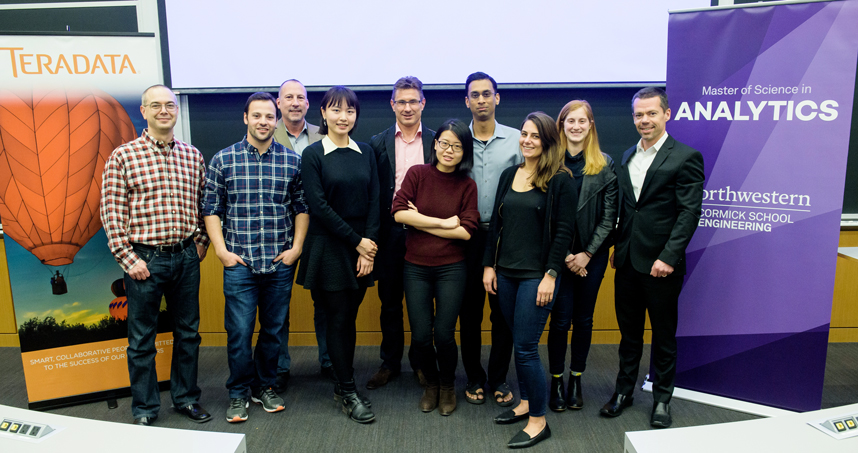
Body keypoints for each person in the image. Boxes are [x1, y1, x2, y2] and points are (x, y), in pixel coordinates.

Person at [101, 84, 212, 426]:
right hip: (144, 261)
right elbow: (111, 213)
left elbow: (203, 205)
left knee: (188, 334)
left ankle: (185, 398)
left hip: (186, 258)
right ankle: (146, 408)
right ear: (144, 112)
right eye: (156, 105)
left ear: (176, 111)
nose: (164, 110)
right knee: (141, 341)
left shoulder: (193, 156)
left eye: (170, 105)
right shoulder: (123, 156)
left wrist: (201, 241)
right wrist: (128, 259)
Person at [600, 87, 704, 429]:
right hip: (627, 262)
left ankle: (662, 399)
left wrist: (669, 257)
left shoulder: (686, 156)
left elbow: (689, 213)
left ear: (666, 114)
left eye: (651, 113)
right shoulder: (628, 154)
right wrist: (617, 246)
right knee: (629, 335)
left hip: (662, 265)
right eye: (638, 115)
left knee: (663, 335)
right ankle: (624, 392)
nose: (644, 120)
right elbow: (628, 210)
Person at [202, 92, 309, 422]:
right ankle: (237, 393)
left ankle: (265, 386)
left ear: (275, 120)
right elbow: (211, 209)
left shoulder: (292, 161)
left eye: (268, 117)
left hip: (279, 263)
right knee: (239, 333)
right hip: (240, 264)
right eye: (257, 116)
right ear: (245, 118)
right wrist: (221, 251)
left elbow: (301, 209)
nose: (264, 121)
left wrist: (296, 249)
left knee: (274, 331)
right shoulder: (224, 159)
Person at [483, 112, 576, 449]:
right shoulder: (511, 173)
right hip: (505, 273)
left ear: (548, 141)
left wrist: (552, 274)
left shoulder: (561, 179)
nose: (527, 140)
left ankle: (538, 420)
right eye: (524, 134)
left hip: (537, 277)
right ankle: (524, 402)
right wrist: (488, 266)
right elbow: (496, 224)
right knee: (516, 341)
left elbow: (564, 232)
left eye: (535, 136)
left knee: (524, 348)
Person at [296, 86, 380, 424]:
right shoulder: (314, 153)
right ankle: (346, 390)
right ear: (324, 114)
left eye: (349, 111)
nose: (343, 117)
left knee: (350, 318)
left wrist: (369, 246)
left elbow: (375, 200)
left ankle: (343, 383)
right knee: (339, 318)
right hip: (329, 246)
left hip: (362, 248)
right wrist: (357, 241)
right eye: (336, 110)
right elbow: (319, 207)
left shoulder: (367, 151)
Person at [391, 119, 479, 415]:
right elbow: (399, 213)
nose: (449, 150)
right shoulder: (418, 174)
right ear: (435, 144)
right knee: (419, 336)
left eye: (456, 145)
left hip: (452, 268)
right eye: (444, 143)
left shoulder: (467, 185)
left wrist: (421, 220)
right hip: (415, 267)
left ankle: (447, 384)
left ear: (464, 150)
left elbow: (466, 231)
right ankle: (430, 384)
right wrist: (443, 222)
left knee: (443, 334)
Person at [546, 100, 618, 412]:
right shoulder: (549, 163)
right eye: (569, 121)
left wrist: (586, 254)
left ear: (591, 125)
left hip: (594, 257)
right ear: (561, 126)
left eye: (582, 121)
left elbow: (609, 216)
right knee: (560, 321)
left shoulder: (605, 164)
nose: (576, 127)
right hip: (557, 258)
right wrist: (564, 256)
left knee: (584, 320)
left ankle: (576, 380)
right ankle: (556, 381)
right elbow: (544, 216)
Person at [460, 72, 523, 406]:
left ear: (497, 98)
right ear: (466, 101)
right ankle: (474, 377)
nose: (481, 100)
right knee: (468, 313)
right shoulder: (455, 139)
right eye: (475, 95)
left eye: (487, 94)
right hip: (464, 239)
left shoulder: (517, 140)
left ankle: (498, 378)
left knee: (503, 314)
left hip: (505, 239)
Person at [366, 76, 433, 389]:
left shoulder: (436, 141)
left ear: (423, 103)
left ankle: (422, 363)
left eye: (413, 101)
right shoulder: (377, 143)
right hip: (391, 235)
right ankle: (390, 363)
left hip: (428, 234)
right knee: (390, 302)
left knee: (423, 304)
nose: (407, 107)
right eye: (401, 101)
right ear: (392, 105)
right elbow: (374, 193)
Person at [271, 79, 331, 392]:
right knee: (279, 306)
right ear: (277, 104)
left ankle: (329, 361)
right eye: (288, 97)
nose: (295, 102)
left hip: (321, 232)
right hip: (280, 233)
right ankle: (279, 367)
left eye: (301, 98)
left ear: (308, 105)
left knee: (325, 302)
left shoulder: (325, 134)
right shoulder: (265, 133)